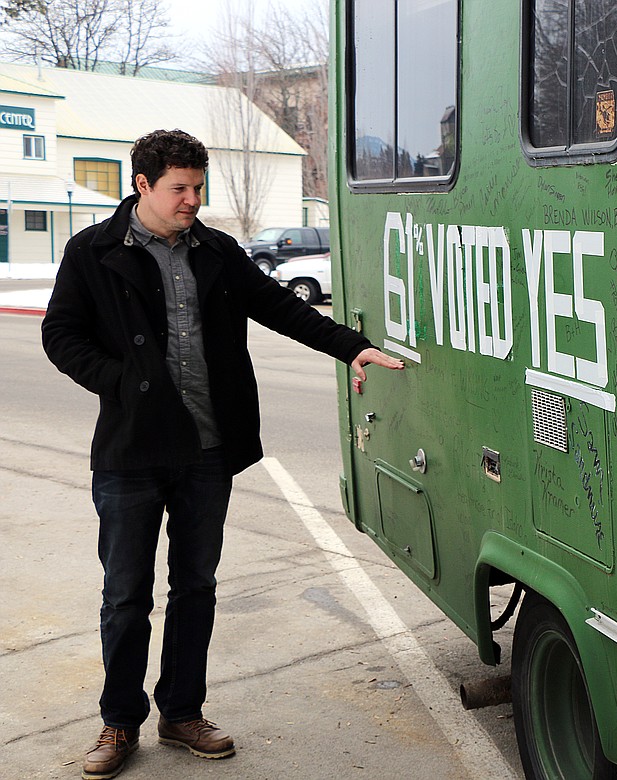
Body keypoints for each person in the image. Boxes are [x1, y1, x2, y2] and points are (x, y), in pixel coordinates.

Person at [41, 129, 404, 780]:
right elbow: (60, 335)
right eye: (179, 188)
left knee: (196, 587)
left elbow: (279, 309)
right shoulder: (93, 252)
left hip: (207, 452)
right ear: (142, 185)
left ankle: (182, 713)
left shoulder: (216, 251)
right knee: (125, 595)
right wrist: (118, 381)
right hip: (130, 455)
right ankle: (118, 723)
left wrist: (353, 347)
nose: (192, 200)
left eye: (199, 187)